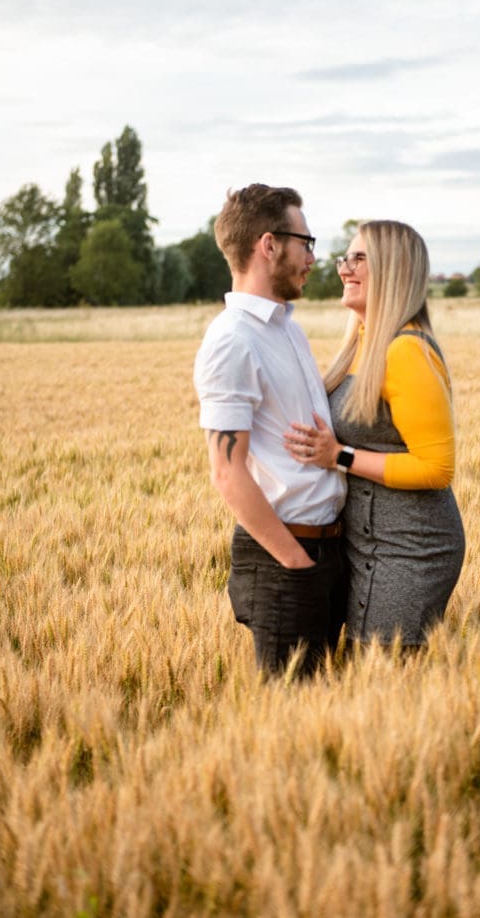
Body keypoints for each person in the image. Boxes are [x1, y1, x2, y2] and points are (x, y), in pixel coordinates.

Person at [284, 219, 465, 649]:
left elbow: (437, 468)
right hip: (364, 544)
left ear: (395, 269)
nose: (344, 268)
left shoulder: (405, 351)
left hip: (410, 548)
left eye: (359, 258)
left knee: (385, 669)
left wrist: (338, 457)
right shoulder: (361, 343)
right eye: (345, 258)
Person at [193, 184, 347, 676]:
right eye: (306, 242)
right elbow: (226, 472)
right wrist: (295, 562)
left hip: (328, 553)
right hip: (286, 560)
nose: (312, 257)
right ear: (268, 245)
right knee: (291, 720)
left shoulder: (286, 328)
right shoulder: (231, 340)